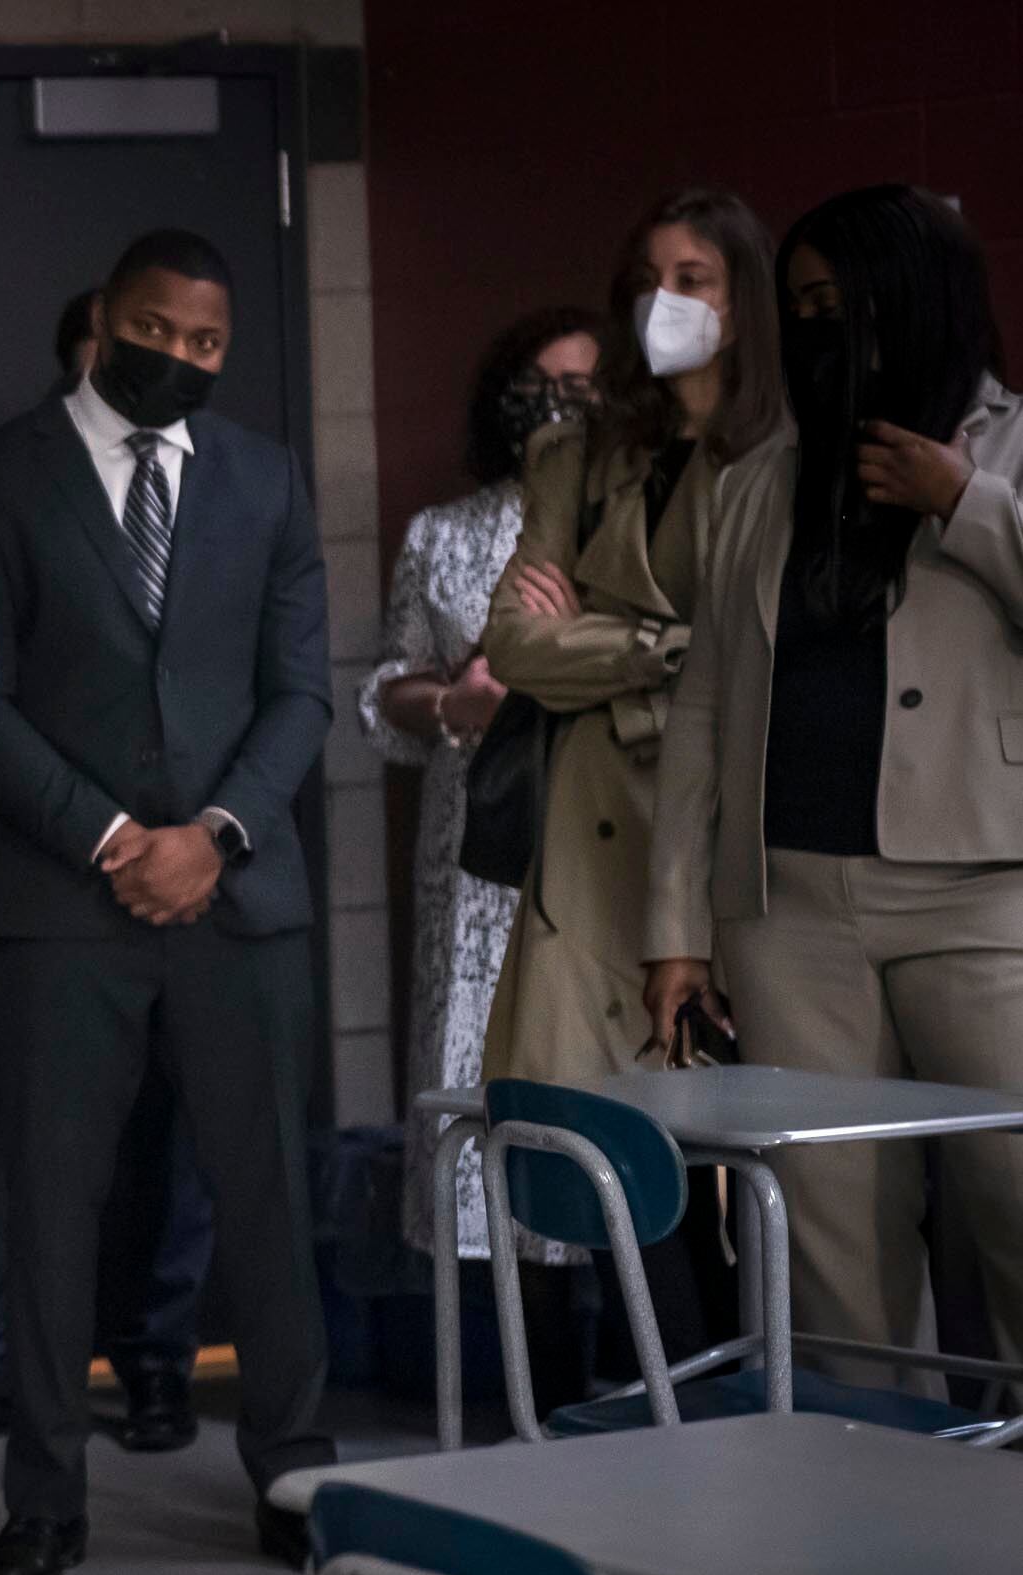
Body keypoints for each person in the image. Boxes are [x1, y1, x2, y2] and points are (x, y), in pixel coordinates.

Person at [0, 227, 334, 1575]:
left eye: (206, 343)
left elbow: (302, 693)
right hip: (62, 902)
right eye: (158, 329)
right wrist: (117, 837)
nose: (179, 356)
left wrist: (215, 836)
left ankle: (297, 1475)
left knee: (272, 1203)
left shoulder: (266, 479)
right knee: (48, 1213)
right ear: (106, 318)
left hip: (239, 901)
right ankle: (45, 1500)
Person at [647, 184, 1023, 1384]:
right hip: (789, 908)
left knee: (1016, 1207)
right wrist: (676, 929)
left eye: (844, 304)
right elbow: (704, 704)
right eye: (802, 309)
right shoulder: (766, 478)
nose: (822, 331)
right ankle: (878, 1508)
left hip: (981, 897)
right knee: (828, 1239)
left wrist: (961, 502)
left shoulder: (1007, 448)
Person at [0, 285, 220, 1462]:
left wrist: (194, 842)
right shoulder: (8, 484)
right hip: (39, 873)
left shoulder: (224, 485)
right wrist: (104, 832)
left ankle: (161, 1365)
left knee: (179, 1140)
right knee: (15, 1144)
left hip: (201, 883)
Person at [479, 188, 783, 1366]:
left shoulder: (783, 450)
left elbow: (765, 649)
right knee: (618, 1140)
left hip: (737, 824)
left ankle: (760, 1414)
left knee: (750, 1143)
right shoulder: (581, 451)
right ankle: (665, 1414)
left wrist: (601, 636)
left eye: (694, 278)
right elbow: (513, 642)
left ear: (741, 296)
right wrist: (670, 647)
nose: (667, 303)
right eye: (648, 280)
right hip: (594, 833)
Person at [361, 306, 601, 1407]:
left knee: (603, 1118)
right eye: (545, 390)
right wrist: (451, 696)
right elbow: (386, 696)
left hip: (602, 852)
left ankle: (632, 1402)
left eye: (589, 390)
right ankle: (517, 1407)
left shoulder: (641, 519)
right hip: (473, 864)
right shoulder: (443, 535)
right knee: (487, 1111)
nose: (566, 411)